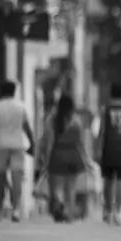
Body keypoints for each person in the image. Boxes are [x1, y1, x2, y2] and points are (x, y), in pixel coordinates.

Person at [0, 80, 35, 223]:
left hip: (1, 144)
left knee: (0, 176)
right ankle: (16, 210)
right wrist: (32, 143)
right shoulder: (21, 106)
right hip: (18, 144)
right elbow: (26, 126)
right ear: (14, 91)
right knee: (17, 176)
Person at [40, 94, 92, 222]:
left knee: (55, 187)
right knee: (71, 188)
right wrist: (86, 160)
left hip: (57, 156)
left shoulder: (51, 120)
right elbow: (80, 143)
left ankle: (58, 209)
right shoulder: (76, 121)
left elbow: (50, 143)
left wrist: (46, 161)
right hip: (73, 157)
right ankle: (69, 214)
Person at [96, 84, 121, 225]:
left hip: (108, 148)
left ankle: (108, 212)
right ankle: (119, 212)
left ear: (111, 94)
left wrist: (98, 149)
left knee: (107, 180)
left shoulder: (105, 109)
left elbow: (102, 131)